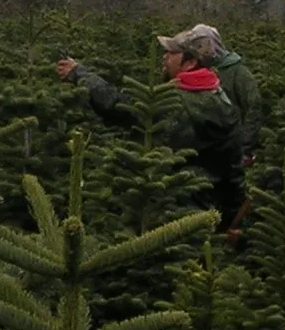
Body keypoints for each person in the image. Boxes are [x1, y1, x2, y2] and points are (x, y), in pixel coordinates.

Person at [55, 31, 247, 231]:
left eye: (172, 53)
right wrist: (233, 218)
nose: (165, 57)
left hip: (169, 212)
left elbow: (119, 106)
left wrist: (80, 73)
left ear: (190, 63)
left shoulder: (175, 103)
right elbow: (233, 167)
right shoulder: (221, 99)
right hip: (208, 213)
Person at [168, 23, 263, 161]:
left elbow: (254, 107)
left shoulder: (238, 73)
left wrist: (246, 148)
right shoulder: (199, 71)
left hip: (231, 145)